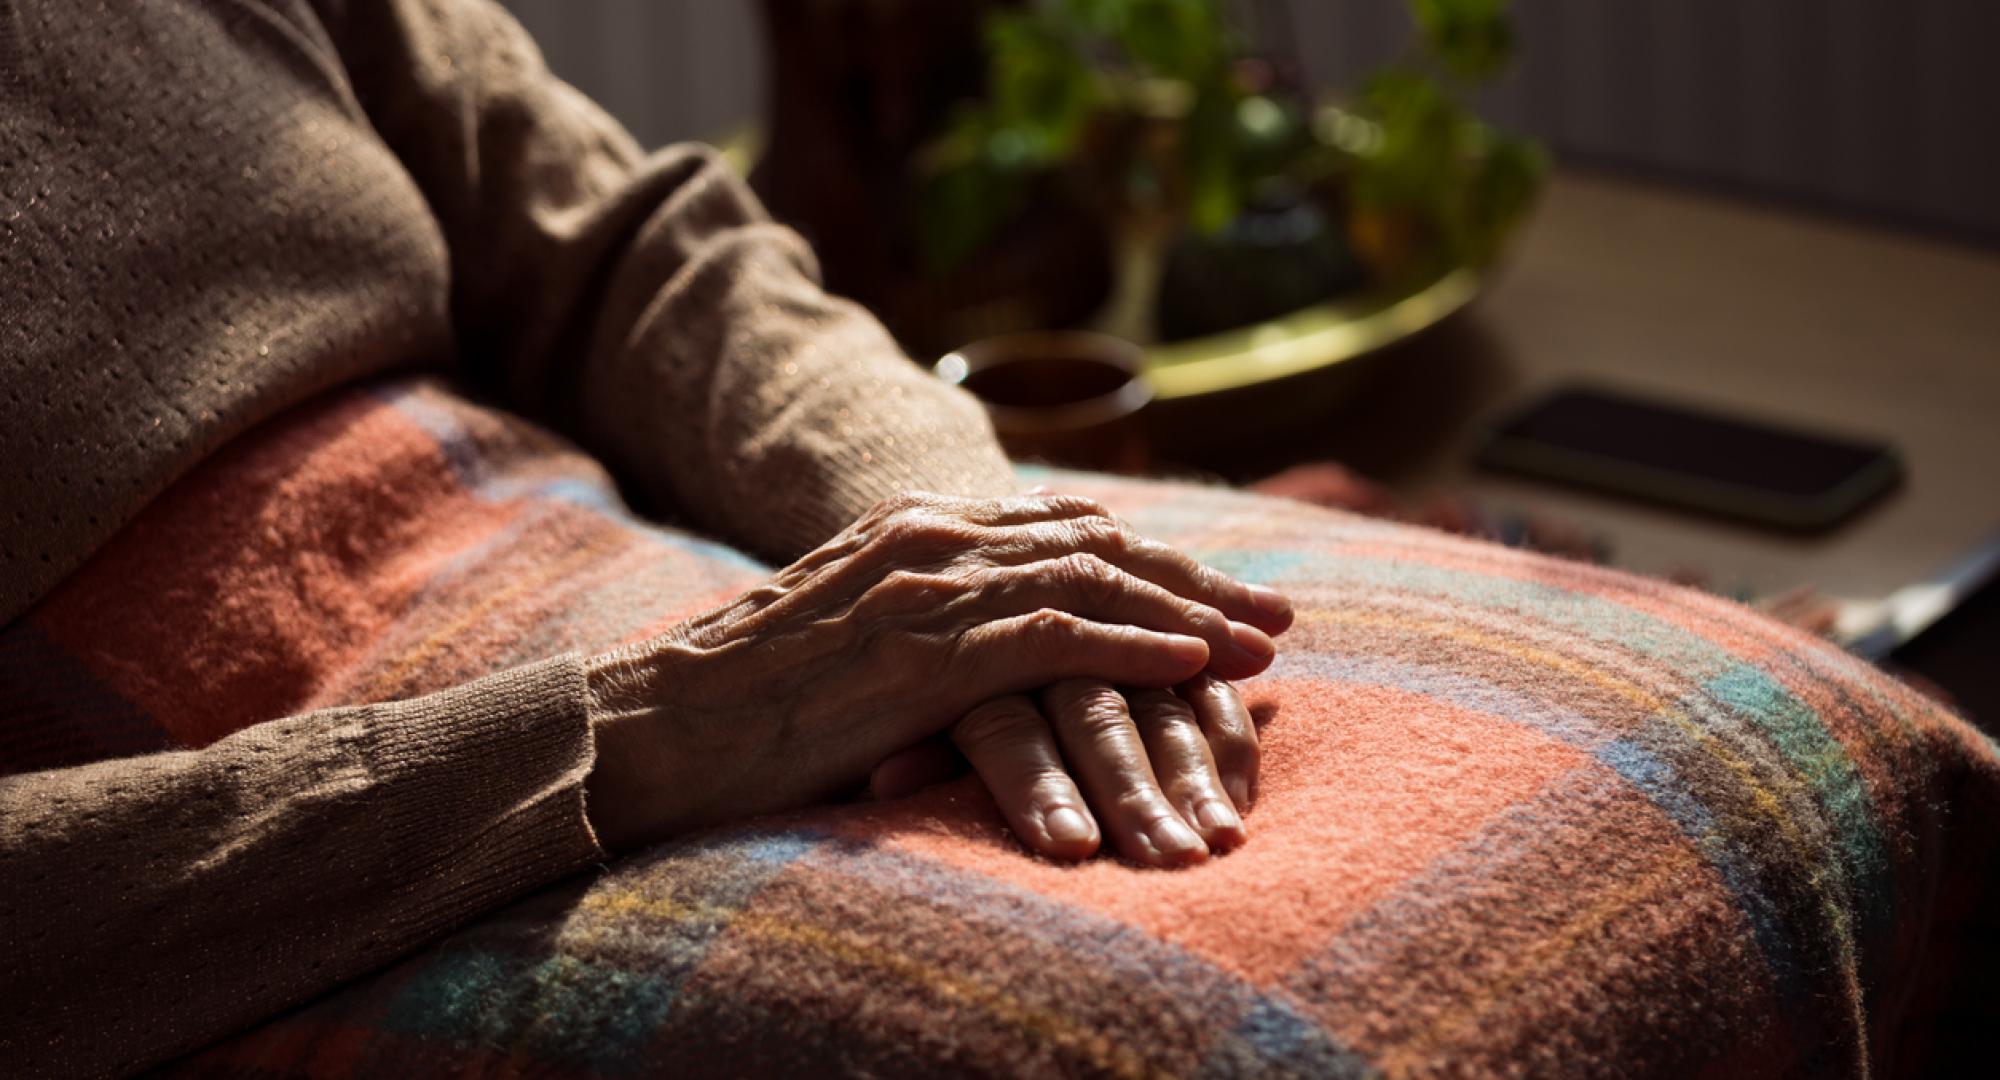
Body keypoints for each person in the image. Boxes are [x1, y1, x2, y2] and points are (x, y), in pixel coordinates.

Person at [0, 0, 1293, 1073]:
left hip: (688, 591)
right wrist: (630, 733)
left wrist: (969, 532)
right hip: (303, 878)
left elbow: (634, 254)